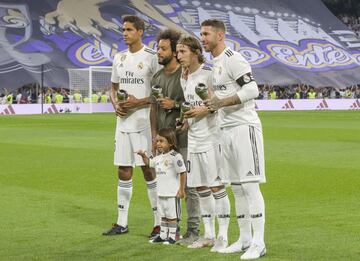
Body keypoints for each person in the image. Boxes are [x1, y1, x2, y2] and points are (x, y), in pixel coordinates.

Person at [201, 19, 267, 260]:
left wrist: (221, 102)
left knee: (250, 185)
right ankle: (245, 239)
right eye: (201, 33)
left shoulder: (233, 58)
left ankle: (259, 243)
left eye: (206, 34)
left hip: (244, 127)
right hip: (225, 130)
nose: (203, 38)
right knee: (237, 188)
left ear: (220, 36)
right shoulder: (214, 64)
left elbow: (252, 90)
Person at [102, 15, 161, 237]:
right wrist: (116, 104)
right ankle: (121, 222)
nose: (124, 33)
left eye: (128, 30)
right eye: (123, 30)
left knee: (148, 169)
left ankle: (158, 223)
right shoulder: (119, 58)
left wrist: (139, 102)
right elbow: (114, 88)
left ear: (140, 32)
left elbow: (159, 92)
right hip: (123, 122)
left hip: (145, 122)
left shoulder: (151, 58)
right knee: (124, 170)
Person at [176, 35, 231, 252]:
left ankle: (223, 236)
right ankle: (208, 234)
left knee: (216, 186)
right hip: (195, 140)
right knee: (200, 188)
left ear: (196, 52)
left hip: (213, 138)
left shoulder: (210, 73)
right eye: (177, 52)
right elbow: (191, 105)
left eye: (183, 52)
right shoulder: (184, 77)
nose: (178, 56)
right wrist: (186, 123)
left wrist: (206, 109)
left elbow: (220, 103)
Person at [150, 29, 200, 244]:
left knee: (188, 187)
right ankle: (170, 231)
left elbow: (195, 103)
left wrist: (175, 104)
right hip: (164, 144)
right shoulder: (157, 77)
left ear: (174, 50)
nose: (158, 52)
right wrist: (154, 137)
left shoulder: (186, 74)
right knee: (166, 186)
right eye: (157, 48)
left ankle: (193, 230)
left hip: (184, 139)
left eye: (163, 49)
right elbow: (153, 108)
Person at [137, 128, 186, 245]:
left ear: (170, 142)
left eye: (161, 141)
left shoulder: (176, 156)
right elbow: (149, 163)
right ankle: (163, 235)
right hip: (161, 193)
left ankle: (173, 237)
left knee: (172, 216)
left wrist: (181, 189)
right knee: (163, 216)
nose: (158, 143)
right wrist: (143, 156)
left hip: (172, 194)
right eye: (157, 141)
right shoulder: (158, 158)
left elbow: (183, 172)